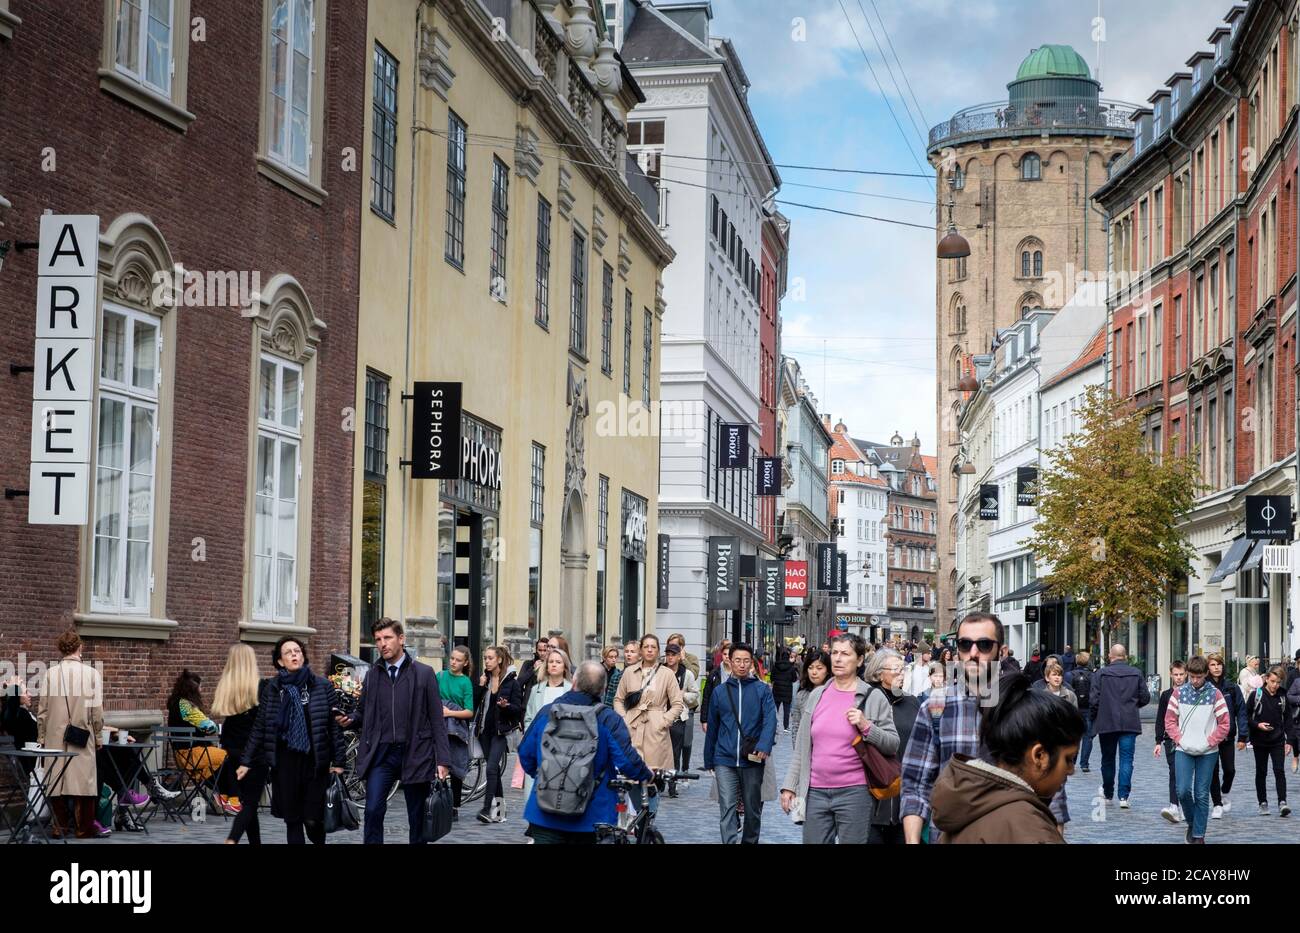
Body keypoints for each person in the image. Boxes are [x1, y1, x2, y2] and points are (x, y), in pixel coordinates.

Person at [902, 612, 1069, 843]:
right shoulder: (934, 707)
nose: (973, 653)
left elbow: (1052, 791)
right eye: (965, 644)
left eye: (984, 644)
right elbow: (915, 782)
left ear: (1001, 651)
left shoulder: (1027, 707)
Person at [931, 672, 1083, 844]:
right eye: (1068, 759)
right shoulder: (1031, 831)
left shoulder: (970, 808)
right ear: (1039, 756)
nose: (1071, 770)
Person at [337, 619, 452, 844]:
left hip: (415, 753)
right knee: (372, 811)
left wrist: (443, 760)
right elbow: (362, 713)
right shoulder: (373, 674)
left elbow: (437, 720)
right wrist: (348, 720)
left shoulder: (424, 673)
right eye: (378, 640)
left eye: (387, 638)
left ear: (401, 639)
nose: (382, 644)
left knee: (417, 819)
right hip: (382, 755)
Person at [517, 660, 653, 844]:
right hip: (591, 817)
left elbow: (525, 754)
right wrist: (647, 774)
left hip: (544, 812)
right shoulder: (608, 719)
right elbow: (627, 762)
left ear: (574, 682)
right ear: (603, 689)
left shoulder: (547, 713)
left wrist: (548, 777)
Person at [781, 634, 899, 845]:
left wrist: (866, 726)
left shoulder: (873, 697)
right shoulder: (818, 695)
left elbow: (892, 744)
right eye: (834, 653)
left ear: (860, 660)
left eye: (845, 654)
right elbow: (802, 748)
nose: (838, 659)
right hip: (815, 791)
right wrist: (790, 786)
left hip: (855, 792)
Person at [237, 636, 346, 845]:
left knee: (313, 819)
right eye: (289, 652)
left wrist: (339, 762)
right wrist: (246, 761)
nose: (295, 655)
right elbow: (260, 726)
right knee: (293, 820)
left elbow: (334, 726)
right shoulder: (272, 689)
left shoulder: (322, 686)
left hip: (314, 762)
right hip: (285, 762)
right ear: (280, 661)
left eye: (297, 651)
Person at [36, 631, 109, 839]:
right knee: (84, 781)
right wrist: (99, 736)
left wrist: (41, 737)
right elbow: (97, 711)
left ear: (61, 649)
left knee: (55, 779)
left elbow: (43, 710)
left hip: (54, 735)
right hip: (82, 734)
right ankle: (83, 827)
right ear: (80, 648)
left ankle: (59, 826)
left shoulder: (51, 674)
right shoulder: (92, 674)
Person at [704, 643, 777, 843]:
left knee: (753, 809)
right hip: (724, 759)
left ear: (751, 662)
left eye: (746, 660)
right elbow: (713, 726)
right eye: (738, 660)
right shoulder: (720, 692)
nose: (742, 665)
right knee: (727, 806)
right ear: (730, 661)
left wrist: (764, 745)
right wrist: (709, 759)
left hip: (752, 758)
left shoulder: (762, 690)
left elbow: (771, 720)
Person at [614, 634, 684, 818]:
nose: (650, 650)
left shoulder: (667, 674)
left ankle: (648, 817)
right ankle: (634, 815)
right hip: (633, 726)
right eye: (646, 647)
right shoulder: (629, 672)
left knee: (653, 774)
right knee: (631, 774)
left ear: (658, 650)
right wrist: (624, 718)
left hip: (655, 729)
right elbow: (618, 699)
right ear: (641, 650)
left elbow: (677, 703)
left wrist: (663, 721)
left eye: (653, 647)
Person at [1164, 655, 1231, 844]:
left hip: (1208, 751)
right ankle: (1194, 824)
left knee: (1201, 793)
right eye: (1192, 677)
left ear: (1205, 674)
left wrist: (1210, 741)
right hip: (1183, 749)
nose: (1195, 681)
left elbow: (1225, 723)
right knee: (1183, 790)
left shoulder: (1215, 694)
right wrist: (1180, 739)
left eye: (1199, 677)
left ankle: (1199, 835)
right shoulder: (1178, 694)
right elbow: (1169, 720)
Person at [212, 644, 265, 843]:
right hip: (254, 752)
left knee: (247, 803)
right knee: (250, 803)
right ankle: (232, 838)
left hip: (231, 749)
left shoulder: (226, 688)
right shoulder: (261, 688)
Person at [866, 648, 917, 844]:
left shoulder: (912, 702)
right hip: (871, 796)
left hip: (904, 796)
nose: (901, 674)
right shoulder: (865, 701)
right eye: (896, 669)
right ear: (878, 673)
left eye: (903, 669)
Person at [1089, 643, 1150, 809]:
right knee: (1127, 760)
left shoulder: (1101, 674)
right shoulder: (1136, 673)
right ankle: (1123, 796)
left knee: (1107, 759)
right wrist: (1133, 705)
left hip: (1107, 721)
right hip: (1129, 721)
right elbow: (1145, 697)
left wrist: (1095, 717)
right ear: (1126, 656)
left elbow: (1094, 700)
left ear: (1110, 656)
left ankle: (1108, 793)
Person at [166, 669, 233, 812]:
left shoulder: (175, 703)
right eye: (200, 687)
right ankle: (223, 795)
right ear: (193, 690)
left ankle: (221, 795)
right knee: (228, 756)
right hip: (191, 753)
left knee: (216, 760)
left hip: (185, 752)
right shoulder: (185, 706)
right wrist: (217, 728)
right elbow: (208, 726)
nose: (201, 690)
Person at [473, 645, 523, 823]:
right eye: (485, 658)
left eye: (490, 658)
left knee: (492, 767)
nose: (486, 661)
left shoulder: (512, 683)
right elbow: (473, 705)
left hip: (501, 732)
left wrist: (506, 706)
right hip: (484, 732)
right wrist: (479, 687)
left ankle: (487, 809)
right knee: (493, 771)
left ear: (499, 660)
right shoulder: (484, 680)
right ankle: (501, 812)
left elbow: (518, 710)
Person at [522, 648, 572, 799]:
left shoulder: (571, 690)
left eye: (558, 662)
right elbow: (529, 716)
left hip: (563, 745)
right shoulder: (537, 689)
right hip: (539, 743)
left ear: (565, 666)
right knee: (536, 786)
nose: (554, 665)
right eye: (551, 662)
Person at [1206, 653, 1247, 819]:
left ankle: (1224, 792)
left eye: (1219, 664)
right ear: (1208, 668)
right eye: (1213, 665)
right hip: (1210, 737)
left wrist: (1243, 736)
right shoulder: (1204, 688)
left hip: (1228, 736)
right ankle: (1216, 804)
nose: (1216, 668)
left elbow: (1241, 712)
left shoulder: (1232, 688)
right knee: (1212, 771)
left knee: (1230, 770)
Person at [1245, 664, 1290, 817]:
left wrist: (1289, 741)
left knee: (1279, 771)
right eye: (1272, 682)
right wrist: (1258, 725)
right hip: (1260, 740)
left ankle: (1282, 802)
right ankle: (1262, 802)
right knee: (1261, 771)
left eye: (1278, 682)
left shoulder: (1283, 696)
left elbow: (1288, 719)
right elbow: (1246, 716)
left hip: (1277, 740)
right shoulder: (1256, 695)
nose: (1275, 685)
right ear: (1266, 680)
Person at [437, 645, 476, 813]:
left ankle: (454, 806)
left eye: (458, 660)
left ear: (465, 663)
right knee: (437, 764)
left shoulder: (465, 682)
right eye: (452, 658)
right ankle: (438, 802)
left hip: (457, 729)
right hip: (439, 726)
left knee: (456, 765)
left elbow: (469, 711)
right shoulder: (440, 676)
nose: (453, 662)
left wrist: (449, 712)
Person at [1155, 660, 1188, 823]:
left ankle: (1184, 807)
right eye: (1176, 674)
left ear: (1186, 674)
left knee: (1185, 775)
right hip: (1170, 739)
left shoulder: (1191, 693)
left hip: (1188, 739)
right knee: (1174, 771)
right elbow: (1160, 718)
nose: (1179, 678)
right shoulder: (1166, 695)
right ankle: (1174, 805)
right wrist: (1157, 741)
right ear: (1171, 675)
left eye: (1181, 674)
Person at [664, 642, 699, 793]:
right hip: (661, 716)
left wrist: (682, 694)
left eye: (673, 655)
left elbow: (696, 694)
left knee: (675, 752)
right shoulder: (660, 671)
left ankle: (672, 785)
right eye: (668, 655)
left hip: (679, 717)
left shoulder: (687, 674)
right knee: (660, 751)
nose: (670, 658)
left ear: (679, 657)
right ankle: (659, 783)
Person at [791, 649, 831, 744]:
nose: (814, 672)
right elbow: (796, 727)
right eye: (810, 667)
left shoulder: (833, 694)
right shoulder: (801, 695)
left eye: (819, 668)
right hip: (807, 750)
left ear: (828, 670)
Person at [1068, 652, 1094, 772]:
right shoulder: (1092, 675)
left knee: (1075, 736)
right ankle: (1084, 764)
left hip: (1075, 709)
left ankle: (1072, 762)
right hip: (1088, 709)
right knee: (1087, 737)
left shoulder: (1070, 675)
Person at [769, 647, 798, 734]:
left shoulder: (775, 666)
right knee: (786, 710)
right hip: (787, 691)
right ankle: (786, 727)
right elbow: (794, 679)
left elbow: (772, 678)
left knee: (775, 709)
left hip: (777, 690)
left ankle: (774, 726)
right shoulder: (791, 667)